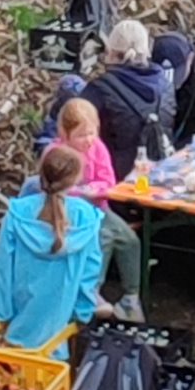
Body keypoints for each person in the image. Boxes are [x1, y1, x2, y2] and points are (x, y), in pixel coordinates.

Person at [0, 145, 102, 351]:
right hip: (58, 326)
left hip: (17, 324)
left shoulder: (18, 213)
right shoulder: (86, 217)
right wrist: (82, 311)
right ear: (75, 180)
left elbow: (1, 268)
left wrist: (0, 315)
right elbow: (90, 270)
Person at [56, 98, 145, 320]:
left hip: (98, 207)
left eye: (91, 132)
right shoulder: (58, 152)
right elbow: (57, 187)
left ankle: (131, 297)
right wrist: (81, 192)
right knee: (102, 237)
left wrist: (95, 189)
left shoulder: (97, 147)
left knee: (129, 240)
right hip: (69, 212)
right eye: (80, 135)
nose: (87, 140)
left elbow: (107, 180)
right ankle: (92, 290)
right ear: (66, 134)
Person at [85, 20, 174, 179]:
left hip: (115, 183)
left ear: (109, 51)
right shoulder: (166, 86)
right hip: (161, 175)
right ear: (147, 49)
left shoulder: (98, 90)